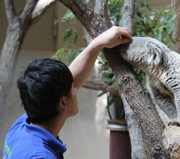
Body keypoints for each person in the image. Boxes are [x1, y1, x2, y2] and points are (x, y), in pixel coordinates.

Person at [3, 26, 132, 159]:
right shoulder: (40, 155)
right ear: (63, 102)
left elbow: (67, 82)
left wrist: (97, 44)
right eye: (73, 88)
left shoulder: (22, 127)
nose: (76, 88)